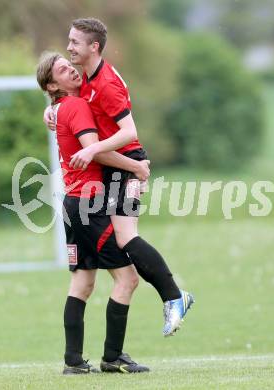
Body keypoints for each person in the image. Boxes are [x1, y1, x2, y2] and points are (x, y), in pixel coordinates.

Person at [44, 18, 194, 337]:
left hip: (126, 161)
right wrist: (51, 108)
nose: (69, 47)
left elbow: (129, 132)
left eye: (74, 42)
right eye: (69, 41)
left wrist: (97, 151)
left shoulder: (107, 84)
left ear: (93, 47)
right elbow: (76, 106)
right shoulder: (87, 78)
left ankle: (175, 296)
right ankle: (173, 298)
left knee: (125, 238)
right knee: (123, 240)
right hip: (117, 166)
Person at [37, 52, 150, 374]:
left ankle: (73, 361)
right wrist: (136, 167)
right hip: (90, 205)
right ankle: (113, 358)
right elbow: (96, 153)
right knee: (127, 278)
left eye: (68, 64)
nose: (70, 69)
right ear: (51, 84)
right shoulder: (75, 106)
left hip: (74, 205)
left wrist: (50, 107)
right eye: (62, 69)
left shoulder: (60, 108)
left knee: (82, 285)